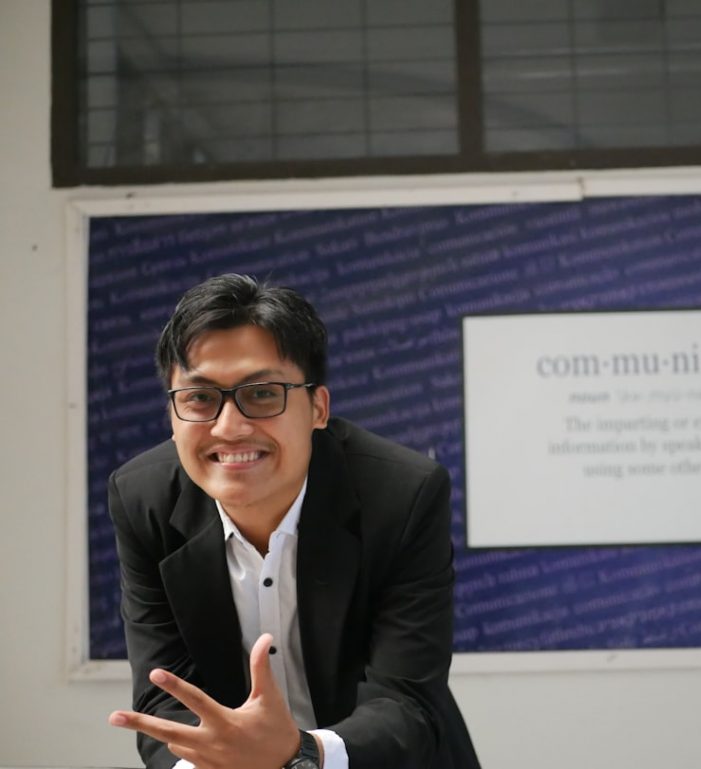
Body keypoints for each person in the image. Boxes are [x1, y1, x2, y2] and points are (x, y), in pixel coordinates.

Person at [107, 274, 480, 769]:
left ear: (318, 408)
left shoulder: (402, 495)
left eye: (262, 393)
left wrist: (298, 754)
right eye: (199, 398)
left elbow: (407, 701)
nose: (229, 427)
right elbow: (165, 693)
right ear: (172, 416)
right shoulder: (143, 499)